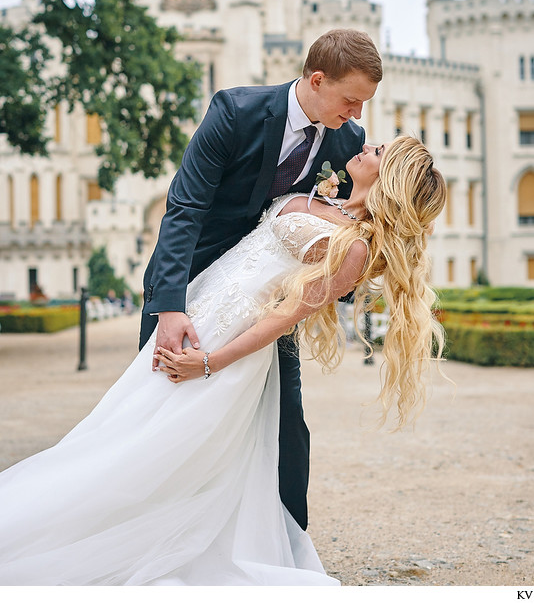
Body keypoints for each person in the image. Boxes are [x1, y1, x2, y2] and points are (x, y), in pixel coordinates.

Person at [0, 135, 446, 586]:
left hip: (226, 347)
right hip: (198, 310)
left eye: (381, 153)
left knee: (155, 445)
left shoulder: (353, 248)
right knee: (126, 423)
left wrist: (210, 362)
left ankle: (106, 543)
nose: (371, 146)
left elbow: (283, 318)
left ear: (388, 179)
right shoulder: (321, 194)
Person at [140, 27, 383, 531]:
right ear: (317, 79)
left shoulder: (350, 141)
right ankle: (156, 535)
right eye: (351, 100)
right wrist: (169, 306)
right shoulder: (235, 111)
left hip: (273, 301)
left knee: (285, 425)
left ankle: (287, 546)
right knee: (165, 420)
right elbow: (185, 208)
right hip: (192, 286)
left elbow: (343, 229)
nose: (357, 114)